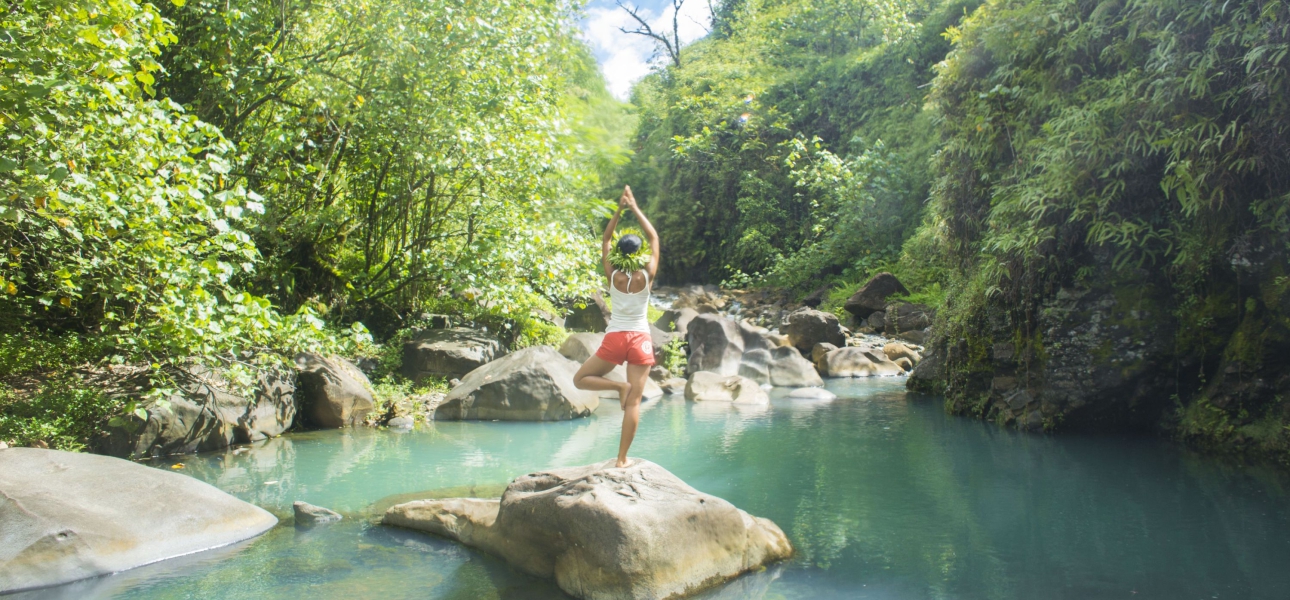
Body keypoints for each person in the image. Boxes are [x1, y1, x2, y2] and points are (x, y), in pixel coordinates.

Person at [573, 185, 660, 468]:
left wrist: (620, 209)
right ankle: (622, 460)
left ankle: (618, 386)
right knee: (634, 403)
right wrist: (635, 207)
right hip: (640, 340)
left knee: (579, 379)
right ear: (640, 254)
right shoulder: (647, 274)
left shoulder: (613, 275)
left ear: (620, 255)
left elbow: (607, 238)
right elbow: (654, 236)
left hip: (616, 337)